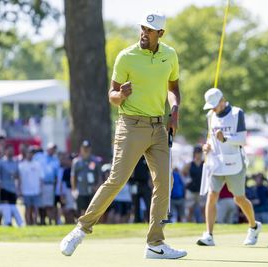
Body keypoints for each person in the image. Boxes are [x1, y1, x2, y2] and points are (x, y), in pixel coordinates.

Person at [60, 11, 187, 259]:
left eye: (149, 31)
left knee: (165, 182)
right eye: (142, 28)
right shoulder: (126, 56)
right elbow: (112, 96)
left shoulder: (169, 55)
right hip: (131, 125)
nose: (144, 33)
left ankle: (155, 243)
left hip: (158, 127)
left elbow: (173, 89)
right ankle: (81, 229)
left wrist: (174, 110)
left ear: (160, 33)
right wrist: (122, 95)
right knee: (117, 179)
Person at [197, 88, 261, 247]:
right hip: (216, 162)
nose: (212, 108)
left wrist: (225, 138)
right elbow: (211, 139)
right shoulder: (210, 116)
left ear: (222, 100)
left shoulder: (237, 113)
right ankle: (209, 235)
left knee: (239, 198)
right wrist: (207, 146)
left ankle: (253, 227)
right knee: (212, 195)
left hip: (234, 162)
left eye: (214, 105)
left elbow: (242, 140)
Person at [71, 140, 101, 217]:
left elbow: (99, 176)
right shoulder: (76, 161)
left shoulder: (95, 161)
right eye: (84, 148)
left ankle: (89, 225)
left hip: (92, 189)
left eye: (87, 148)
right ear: (81, 148)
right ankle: (81, 225)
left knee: (91, 209)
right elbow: (73, 176)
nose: (86, 149)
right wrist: (74, 190)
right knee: (80, 209)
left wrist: (97, 187)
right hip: (80, 190)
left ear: (90, 148)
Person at [18, 146, 43, 225]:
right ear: (26, 154)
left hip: (36, 190)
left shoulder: (37, 164)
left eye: (32, 153)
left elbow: (41, 178)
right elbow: (19, 179)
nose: (30, 155)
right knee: (28, 209)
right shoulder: (21, 165)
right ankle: (28, 223)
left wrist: (40, 189)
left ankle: (35, 223)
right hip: (26, 191)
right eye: (29, 153)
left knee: (36, 209)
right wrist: (20, 190)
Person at [35, 142, 59, 225]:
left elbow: (57, 175)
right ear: (47, 148)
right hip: (39, 184)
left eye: (54, 149)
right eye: (51, 148)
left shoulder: (55, 160)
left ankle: (49, 222)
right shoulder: (39, 156)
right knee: (40, 205)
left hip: (49, 184)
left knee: (48, 205)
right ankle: (42, 221)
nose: (52, 150)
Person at [182, 145, 204, 223]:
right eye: (197, 152)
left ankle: (205, 224)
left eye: (200, 152)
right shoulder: (190, 164)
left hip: (201, 189)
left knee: (203, 208)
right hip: (191, 189)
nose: (198, 154)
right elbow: (183, 173)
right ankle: (188, 222)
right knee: (189, 209)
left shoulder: (204, 163)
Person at [130, 156, 152, 223]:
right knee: (136, 205)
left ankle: (149, 220)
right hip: (135, 184)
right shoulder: (133, 158)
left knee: (148, 204)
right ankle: (137, 221)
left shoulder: (146, 158)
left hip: (145, 184)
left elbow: (150, 172)